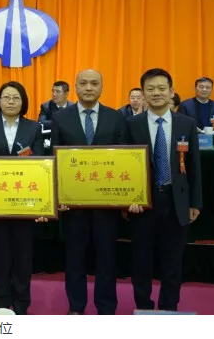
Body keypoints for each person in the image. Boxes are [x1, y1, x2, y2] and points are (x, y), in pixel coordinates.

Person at [51, 69, 127, 315]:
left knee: (107, 259)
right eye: (83, 83)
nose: (89, 88)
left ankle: (106, 308)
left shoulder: (116, 117)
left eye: (94, 83)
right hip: (73, 205)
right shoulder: (60, 118)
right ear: (75, 87)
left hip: (107, 204)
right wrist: (58, 196)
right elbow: (54, 160)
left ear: (102, 87)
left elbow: (125, 159)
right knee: (75, 260)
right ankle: (76, 307)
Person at [126, 68, 202, 312]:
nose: (156, 93)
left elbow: (194, 165)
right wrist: (129, 199)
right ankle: (143, 307)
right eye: (150, 89)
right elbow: (125, 166)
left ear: (171, 91)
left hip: (176, 201)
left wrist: (195, 203)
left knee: (172, 262)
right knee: (141, 261)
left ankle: (169, 308)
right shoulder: (131, 125)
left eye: (161, 88)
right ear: (143, 93)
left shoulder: (186, 124)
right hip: (143, 203)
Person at [0, 81, 46, 315]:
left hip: (24, 203)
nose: (10, 102)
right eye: (6, 97)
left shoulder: (33, 128)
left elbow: (40, 164)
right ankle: (0, 303)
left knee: (23, 257)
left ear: (23, 102)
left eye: (16, 97)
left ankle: (21, 304)